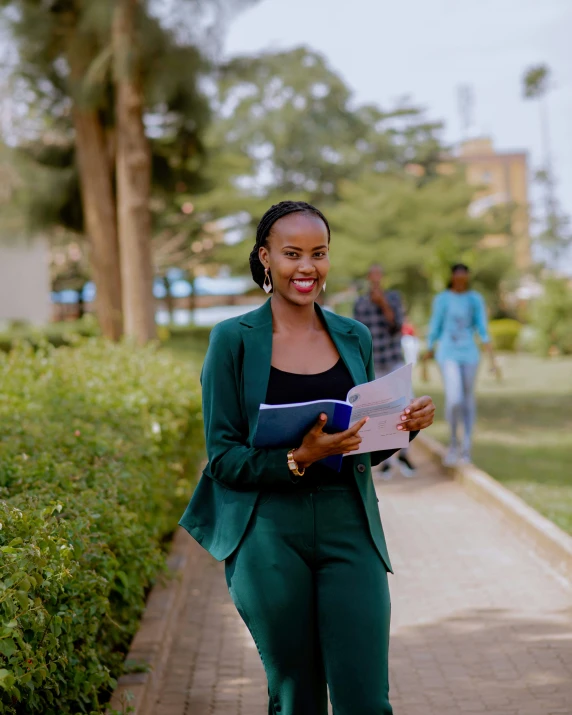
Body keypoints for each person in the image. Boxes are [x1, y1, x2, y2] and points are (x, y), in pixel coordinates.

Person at [179, 201, 436, 715]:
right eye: (292, 253)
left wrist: (402, 427)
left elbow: (361, 440)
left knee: (366, 699)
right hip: (268, 531)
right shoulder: (233, 340)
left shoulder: (352, 335)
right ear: (265, 258)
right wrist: (298, 457)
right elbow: (224, 457)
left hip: (349, 525)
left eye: (318, 254)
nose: (307, 267)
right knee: (296, 697)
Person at [425, 263, 498, 467]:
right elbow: (436, 325)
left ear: (467, 277)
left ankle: (466, 448)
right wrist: (429, 348)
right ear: (452, 277)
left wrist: (491, 353)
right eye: (457, 275)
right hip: (448, 352)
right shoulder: (443, 299)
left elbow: (482, 327)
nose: (460, 278)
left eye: (464, 275)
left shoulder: (474, 299)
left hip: (470, 354)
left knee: (467, 401)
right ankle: (453, 444)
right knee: (454, 399)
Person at [353, 264, 416, 477]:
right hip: (374, 364)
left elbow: (397, 326)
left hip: (393, 360)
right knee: (380, 412)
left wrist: (384, 304)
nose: (376, 279)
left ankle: (405, 455)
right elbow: (357, 335)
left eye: (380, 275)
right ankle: (387, 460)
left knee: (403, 407)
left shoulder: (394, 298)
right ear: (369, 278)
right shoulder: (360, 303)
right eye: (373, 276)